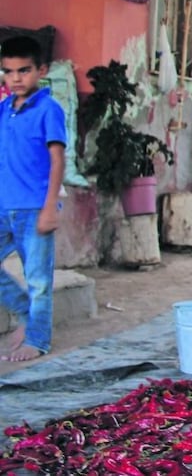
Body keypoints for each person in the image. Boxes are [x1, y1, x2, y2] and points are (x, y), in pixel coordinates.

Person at [0, 36, 67, 362]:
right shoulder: (3, 111)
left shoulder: (49, 110)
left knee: (38, 279)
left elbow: (57, 159)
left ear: (41, 70)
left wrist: (50, 206)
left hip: (34, 208)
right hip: (3, 207)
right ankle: (28, 316)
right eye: (8, 71)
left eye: (23, 70)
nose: (15, 78)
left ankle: (37, 339)